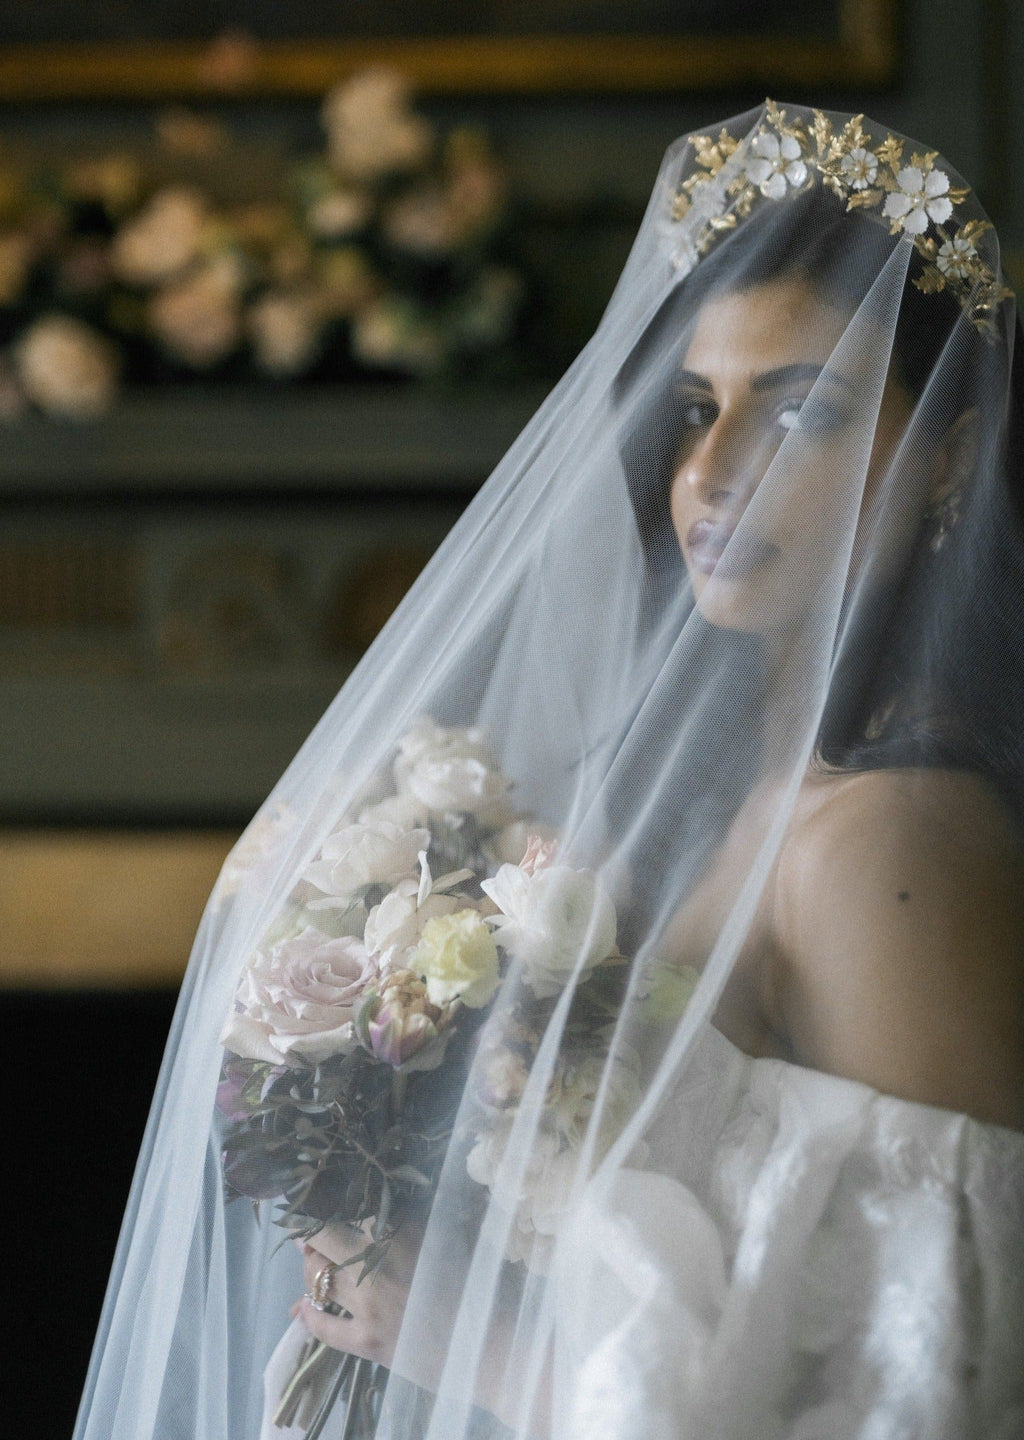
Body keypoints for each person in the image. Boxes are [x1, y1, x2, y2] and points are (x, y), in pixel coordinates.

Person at [75, 101, 1024, 1440]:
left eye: (802, 412)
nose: (714, 475)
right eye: (698, 409)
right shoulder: (718, 805)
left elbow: (948, 1396)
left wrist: (473, 1350)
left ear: (953, 459)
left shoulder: (894, 848)